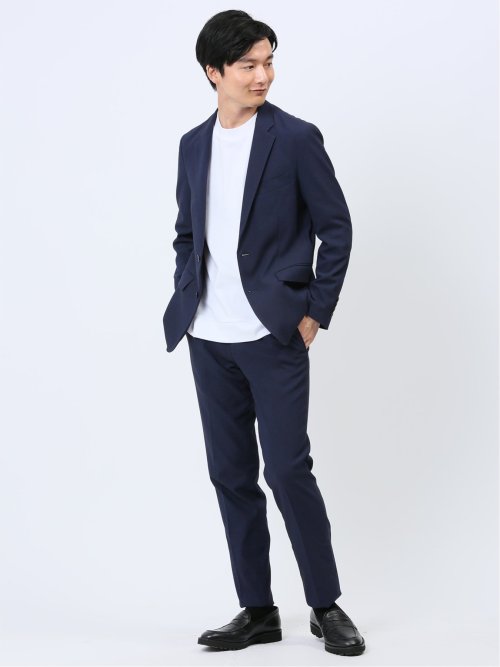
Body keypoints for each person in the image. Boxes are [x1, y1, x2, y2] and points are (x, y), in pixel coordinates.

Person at [162, 9, 365, 657]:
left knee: (287, 469)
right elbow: (187, 232)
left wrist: (314, 311)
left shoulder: (295, 138)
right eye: (248, 64)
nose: (263, 76)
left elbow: (337, 227)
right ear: (213, 71)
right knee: (230, 475)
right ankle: (257, 609)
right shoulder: (193, 144)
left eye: (268, 62)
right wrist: (188, 293)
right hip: (208, 337)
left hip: (274, 334)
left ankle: (326, 605)